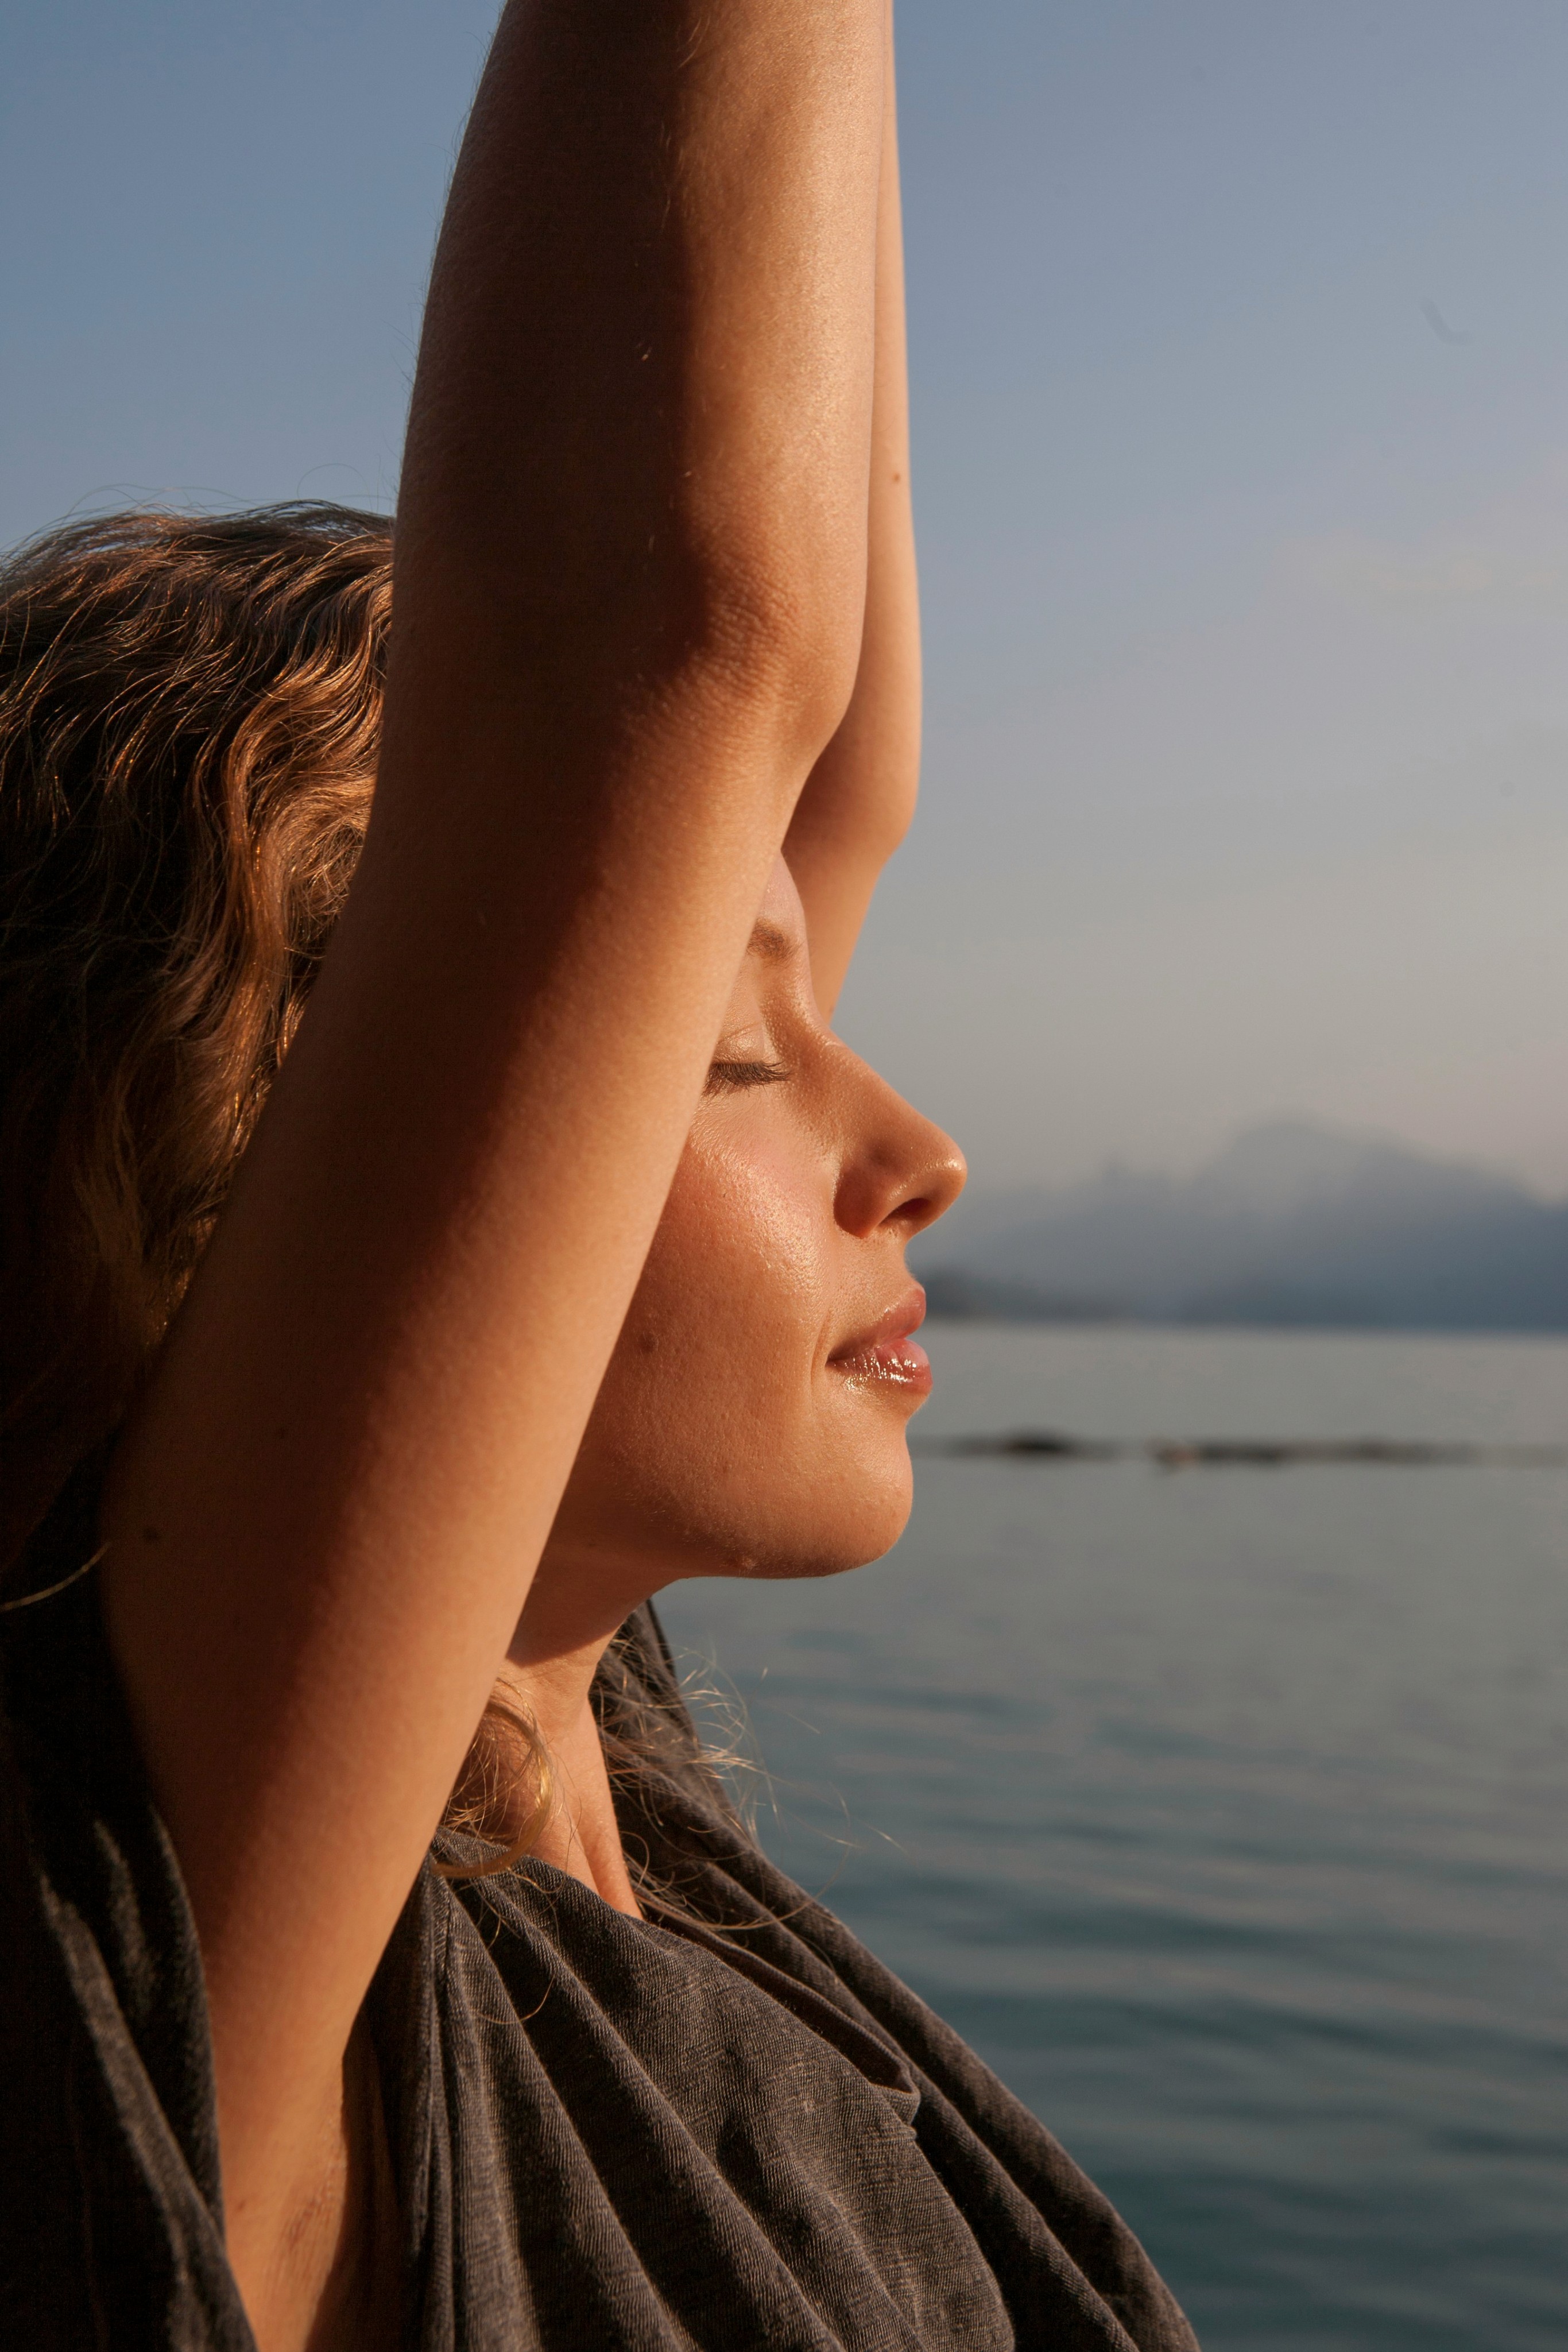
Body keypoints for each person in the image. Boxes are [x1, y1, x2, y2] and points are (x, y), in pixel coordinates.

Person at [0, 5, 1199, 2347]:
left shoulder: (568, 1767)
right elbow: (659, 631)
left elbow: (800, 727)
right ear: (234, 1192)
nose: (921, 1153)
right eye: (728, 1050)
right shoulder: (201, 1994)